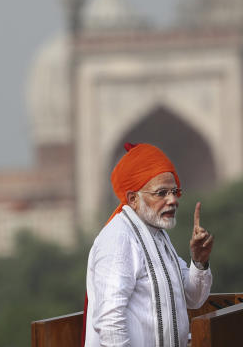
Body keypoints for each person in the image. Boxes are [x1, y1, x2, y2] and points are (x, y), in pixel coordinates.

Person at [84, 143, 215, 347]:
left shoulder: (158, 236)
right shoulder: (119, 239)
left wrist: (199, 261)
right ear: (133, 199)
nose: (173, 200)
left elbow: (193, 298)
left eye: (174, 191)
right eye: (161, 193)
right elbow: (109, 323)